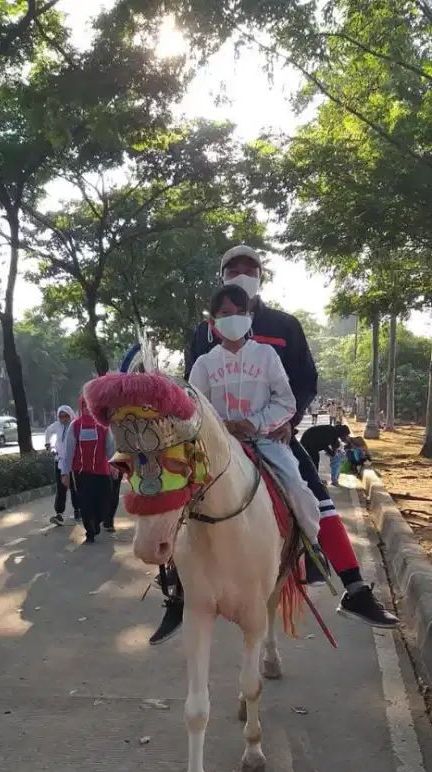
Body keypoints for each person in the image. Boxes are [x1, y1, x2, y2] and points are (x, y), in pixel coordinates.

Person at [150, 243, 398, 644]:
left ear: (260, 277)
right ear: (223, 279)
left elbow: (303, 382)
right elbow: (193, 393)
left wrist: (287, 422)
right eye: (233, 269)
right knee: (178, 496)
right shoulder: (202, 334)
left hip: (272, 432)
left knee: (315, 497)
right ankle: (180, 594)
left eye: (249, 268)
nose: (241, 274)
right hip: (216, 441)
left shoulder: (284, 326)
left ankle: (353, 589)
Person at [190, 284, 321, 542]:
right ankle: (176, 560)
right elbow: (194, 407)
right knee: (181, 494)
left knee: (297, 487)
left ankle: (310, 545)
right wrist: (221, 426)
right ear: (214, 321)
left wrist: (254, 422)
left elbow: (285, 401)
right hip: (217, 446)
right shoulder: (204, 363)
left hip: (264, 441)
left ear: (249, 317)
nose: (234, 318)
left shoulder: (266, 355)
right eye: (227, 312)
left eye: (241, 312)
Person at [60, 394, 116, 543]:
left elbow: (110, 448)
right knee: (85, 503)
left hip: (102, 471)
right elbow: (68, 452)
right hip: (81, 473)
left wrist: (114, 466)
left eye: (90, 406)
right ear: (81, 407)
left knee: (104, 501)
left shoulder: (103, 426)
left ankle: (96, 522)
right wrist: (65, 473)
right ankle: (90, 530)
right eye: (84, 406)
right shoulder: (75, 426)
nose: (87, 409)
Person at [44, 405, 80, 525]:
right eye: (61, 416)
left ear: (71, 415)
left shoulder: (76, 425)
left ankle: (77, 509)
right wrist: (48, 444)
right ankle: (59, 514)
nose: (63, 419)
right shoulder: (56, 426)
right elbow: (48, 432)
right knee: (61, 488)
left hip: (73, 461)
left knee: (74, 487)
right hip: (60, 461)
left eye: (66, 416)